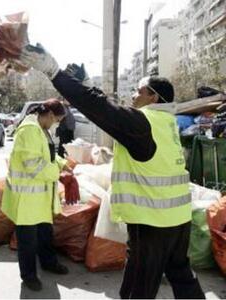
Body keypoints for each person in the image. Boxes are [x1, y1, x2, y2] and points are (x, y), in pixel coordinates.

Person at [18, 45, 205, 299]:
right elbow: (110, 108)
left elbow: (99, 107)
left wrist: (55, 73)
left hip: (153, 223)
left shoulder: (143, 123)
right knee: (182, 277)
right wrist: (82, 83)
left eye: (139, 92)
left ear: (154, 98)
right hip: (179, 220)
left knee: (139, 288)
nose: (133, 96)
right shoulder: (167, 123)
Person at [1, 98, 73, 291]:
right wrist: (60, 174)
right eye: (57, 120)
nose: (56, 124)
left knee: (45, 233)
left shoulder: (41, 129)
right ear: (49, 115)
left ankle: (49, 263)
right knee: (27, 241)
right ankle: (29, 276)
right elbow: (34, 165)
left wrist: (62, 163)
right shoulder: (30, 130)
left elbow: (47, 156)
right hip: (27, 198)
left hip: (39, 197)